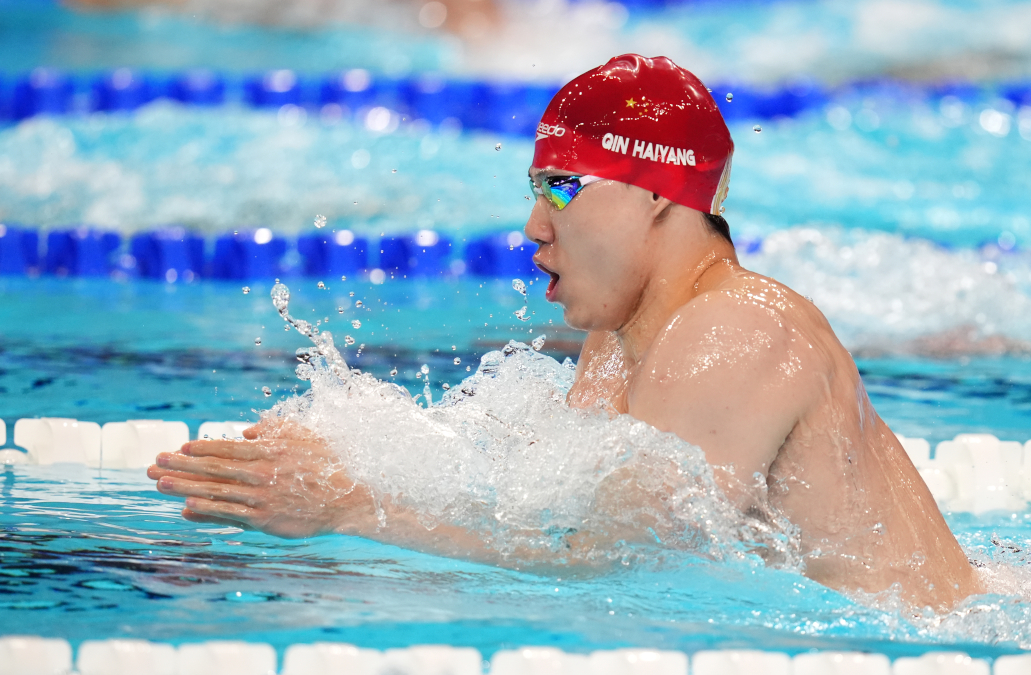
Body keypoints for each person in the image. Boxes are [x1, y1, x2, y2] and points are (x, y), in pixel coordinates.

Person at [148, 54, 982, 611]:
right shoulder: (621, 341)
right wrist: (351, 452)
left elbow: (621, 564)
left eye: (561, 187)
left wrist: (351, 505)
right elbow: (557, 521)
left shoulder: (736, 329)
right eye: (535, 189)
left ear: (656, 191)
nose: (533, 226)